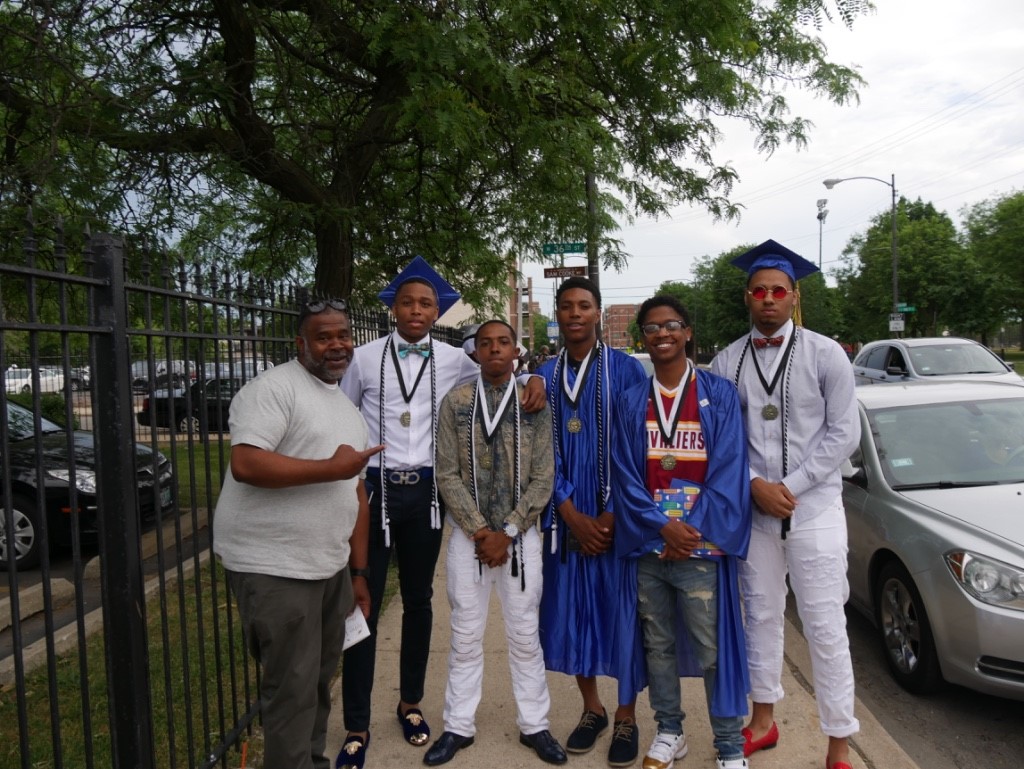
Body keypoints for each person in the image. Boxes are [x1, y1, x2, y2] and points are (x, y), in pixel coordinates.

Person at [338, 257, 545, 769]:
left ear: (437, 312)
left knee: (419, 602)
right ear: (392, 309)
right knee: (361, 602)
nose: (416, 310)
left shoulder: (457, 359)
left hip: (429, 494)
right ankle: (357, 725)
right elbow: (343, 418)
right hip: (376, 491)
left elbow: (504, 372)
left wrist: (535, 374)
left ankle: (410, 704)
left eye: (426, 303)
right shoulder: (363, 359)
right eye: (407, 301)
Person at [212, 298, 382, 769]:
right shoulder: (273, 389)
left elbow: (357, 494)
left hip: (327, 567)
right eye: (324, 337)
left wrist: (359, 573)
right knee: (291, 688)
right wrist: (332, 468)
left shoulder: (345, 407)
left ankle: (312, 760)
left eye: (343, 335)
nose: (336, 345)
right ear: (301, 343)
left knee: (319, 681)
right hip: (275, 565)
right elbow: (246, 463)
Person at [710, 240, 861, 769]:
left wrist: (790, 485)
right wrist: (755, 484)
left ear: (794, 297)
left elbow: (844, 434)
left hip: (815, 511)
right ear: (747, 297)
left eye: (778, 290)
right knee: (761, 618)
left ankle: (839, 744)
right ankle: (763, 723)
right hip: (755, 513)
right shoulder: (727, 361)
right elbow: (720, 439)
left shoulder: (827, 355)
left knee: (824, 625)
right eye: (759, 290)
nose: (768, 299)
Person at [611, 295, 751, 769]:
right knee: (659, 646)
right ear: (643, 339)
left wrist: (685, 530)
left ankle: (729, 745)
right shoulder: (631, 402)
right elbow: (626, 477)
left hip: (700, 545)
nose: (662, 334)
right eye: (651, 328)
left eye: (671, 325)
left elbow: (730, 468)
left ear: (688, 332)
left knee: (712, 650)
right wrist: (660, 528)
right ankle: (670, 730)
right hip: (652, 545)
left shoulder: (719, 394)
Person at [427, 319, 567, 766]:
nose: (493, 350)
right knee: (466, 635)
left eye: (502, 342)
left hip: (519, 540)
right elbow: (445, 471)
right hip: (470, 539)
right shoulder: (456, 402)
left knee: (525, 635)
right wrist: (478, 530)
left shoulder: (534, 402)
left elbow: (544, 475)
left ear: (515, 351)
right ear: (474, 352)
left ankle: (534, 725)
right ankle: (458, 726)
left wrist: (507, 530)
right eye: (485, 343)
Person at [528, 276, 648, 767]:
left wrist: (615, 513)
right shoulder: (543, 375)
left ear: (598, 314)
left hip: (615, 517)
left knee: (622, 617)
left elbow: (639, 446)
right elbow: (536, 451)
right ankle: (591, 708)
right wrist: (570, 511)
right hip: (567, 520)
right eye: (566, 307)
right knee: (574, 614)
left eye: (583, 305)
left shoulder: (626, 371)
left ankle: (626, 715)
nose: (574, 313)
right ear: (557, 315)